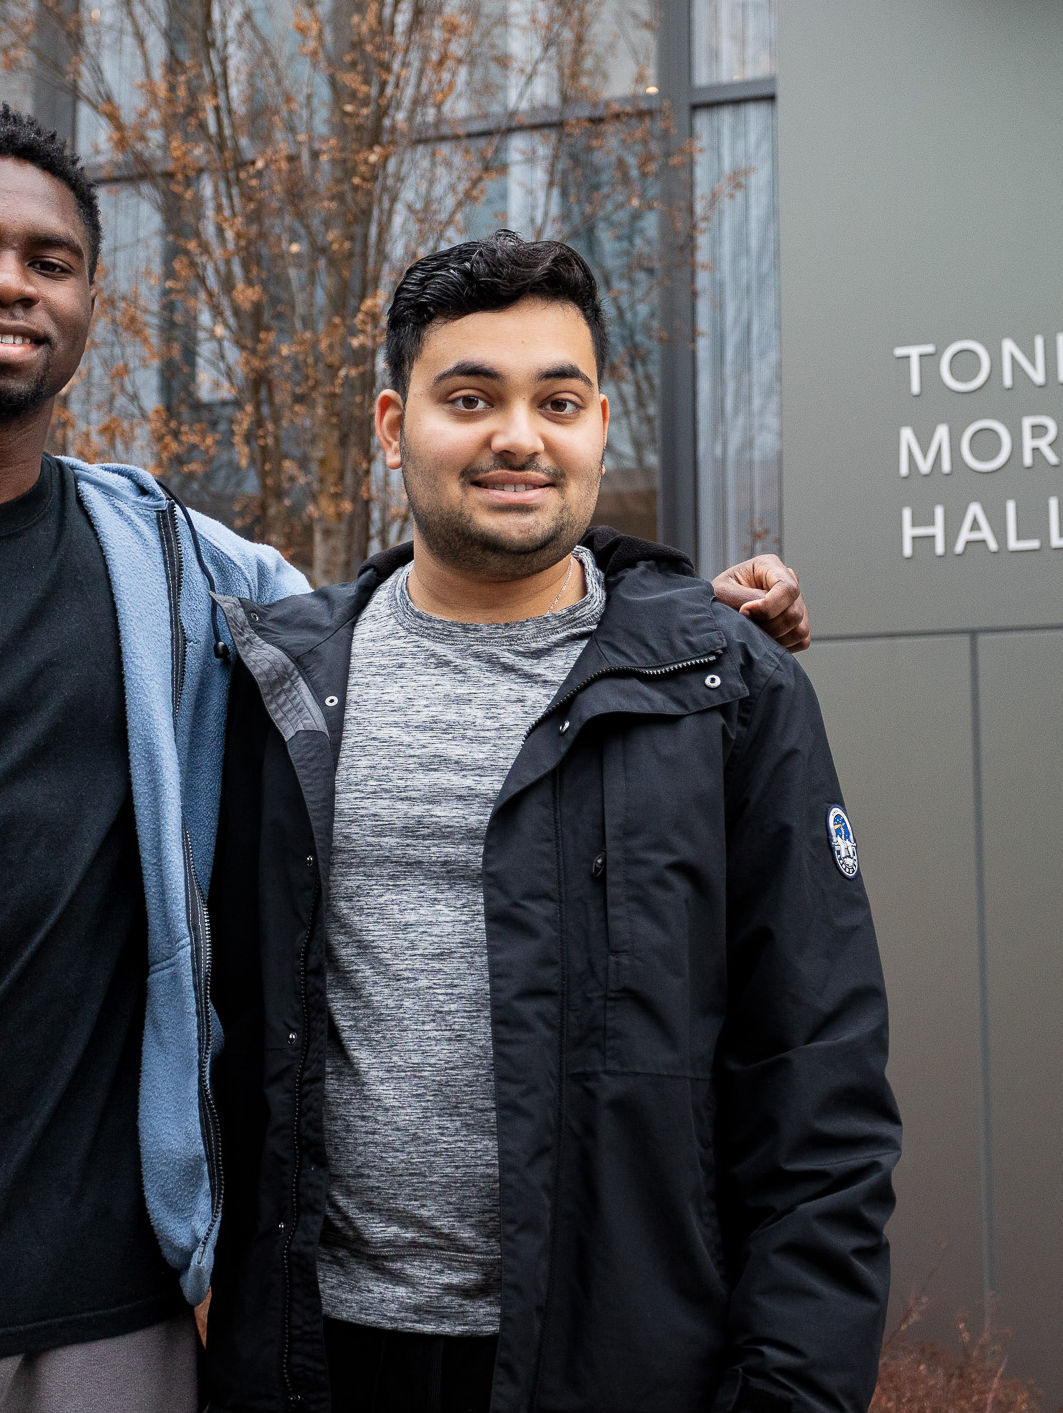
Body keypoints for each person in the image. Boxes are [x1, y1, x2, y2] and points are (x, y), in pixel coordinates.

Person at [0, 110, 812, 1413]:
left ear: (88, 306)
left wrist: (674, 620)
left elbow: (424, 620)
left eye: (50, 261)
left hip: (122, 1334)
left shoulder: (172, 574)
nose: (6, 282)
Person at [202, 233, 899, 1413]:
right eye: (469, 397)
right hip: (316, 1361)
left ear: (599, 424)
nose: (517, 436)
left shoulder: (723, 693)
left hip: (623, 1367)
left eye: (556, 400)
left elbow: (817, 1090)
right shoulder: (276, 690)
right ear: (392, 423)